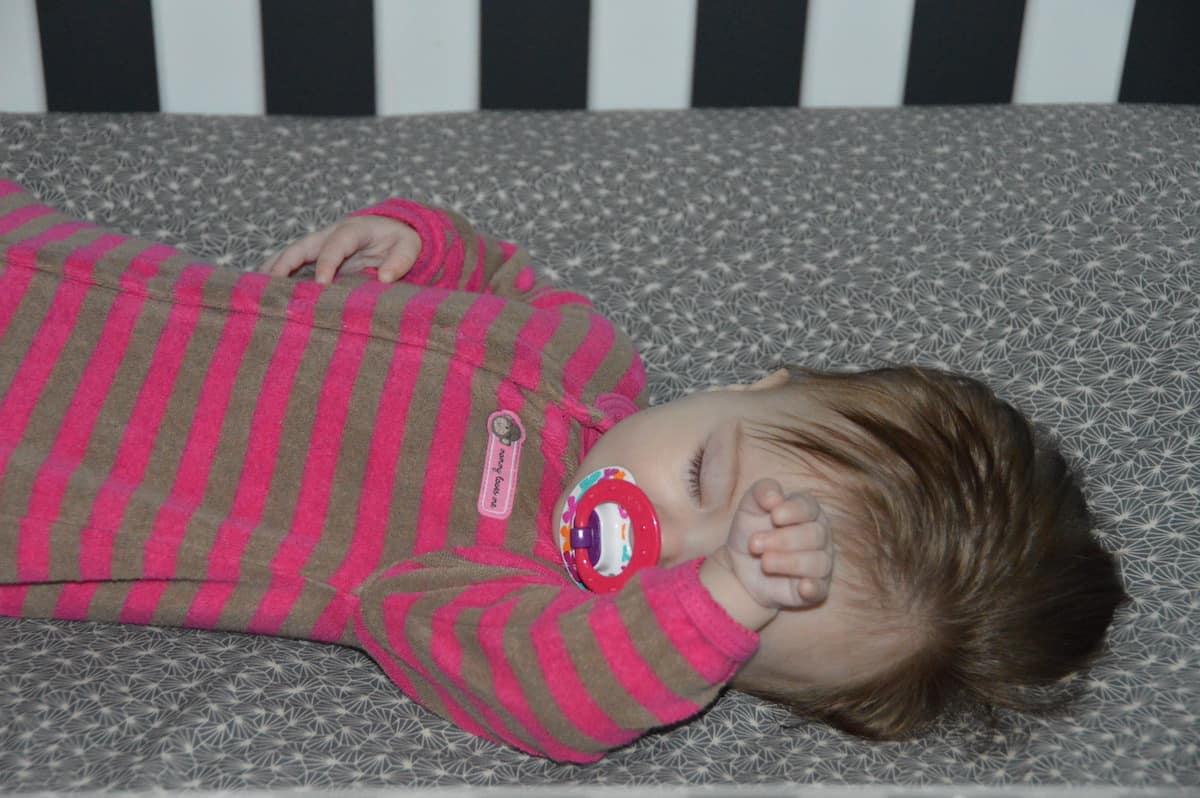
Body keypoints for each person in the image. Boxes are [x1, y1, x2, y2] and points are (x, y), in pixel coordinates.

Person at [0, 179, 1126, 762]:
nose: (652, 539)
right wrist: (418, 243)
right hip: (62, 275)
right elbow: (493, 273)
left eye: (704, 602)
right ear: (764, 381)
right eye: (701, 481)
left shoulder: (483, 590)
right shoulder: (583, 351)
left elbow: (559, 693)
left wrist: (719, 600)